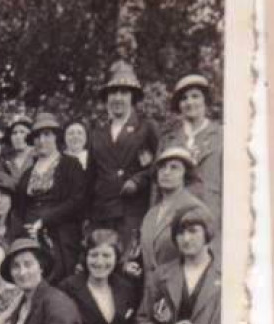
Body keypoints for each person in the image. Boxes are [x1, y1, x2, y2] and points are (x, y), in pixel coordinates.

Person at [87, 61, 160, 248]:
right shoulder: (97, 132)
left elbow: (160, 165)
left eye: (124, 92)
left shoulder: (146, 127)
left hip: (132, 211)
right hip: (102, 212)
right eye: (113, 92)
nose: (118, 98)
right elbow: (91, 176)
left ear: (133, 97)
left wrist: (138, 180)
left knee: (129, 265)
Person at [15, 112, 89, 283]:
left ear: (56, 137)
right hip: (31, 236)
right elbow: (20, 207)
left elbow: (78, 200)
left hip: (62, 235)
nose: (42, 141)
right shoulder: (27, 174)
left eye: (47, 135)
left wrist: (46, 220)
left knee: (64, 281)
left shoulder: (70, 164)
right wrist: (27, 229)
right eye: (37, 136)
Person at [140, 145, 213, 280]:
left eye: (174, 167)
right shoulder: (151, 214)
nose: (166, 172)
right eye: (162, 167)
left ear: (186, 175)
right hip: (151, 294)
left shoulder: (195, 209)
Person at [162, 74, 223, 220]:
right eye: (184, 98)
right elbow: (156, 189)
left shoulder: (221, 136)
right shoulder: (168, 140)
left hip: (211, 216)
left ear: (205, 100)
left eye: (195, 96)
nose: (189, 102)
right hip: (174, 220)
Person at [2, 114, 35, 181]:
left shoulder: (38, 157)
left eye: (22, 132)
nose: (18, 137)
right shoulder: (6, 161)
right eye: (14, 133)